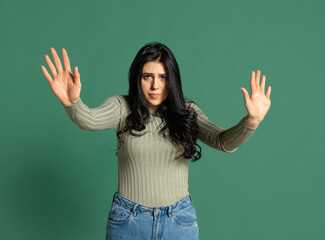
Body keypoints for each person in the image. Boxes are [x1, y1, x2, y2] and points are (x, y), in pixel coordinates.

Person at [41, 42, 271, 240]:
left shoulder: (187, 111)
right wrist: (73, 102)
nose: (155, 85)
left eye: (163, 77)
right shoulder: (122, 107)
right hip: (128, 221)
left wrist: (250, 121)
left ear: (172, 80)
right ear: (137, 78)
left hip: (178, 221)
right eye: (147, 76)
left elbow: (223, 141)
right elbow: (89, 120)